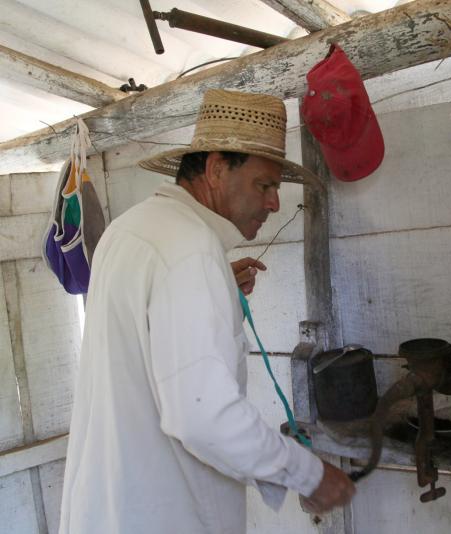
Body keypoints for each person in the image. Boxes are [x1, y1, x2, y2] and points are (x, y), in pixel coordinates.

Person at [58, 90, 355, 534]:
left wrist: (214, 284)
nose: (274, 203)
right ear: (216, 169)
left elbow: (146, 338)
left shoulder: (132, 230)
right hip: (163, 513)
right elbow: (202, 415)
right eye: (265, 185)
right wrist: (308, 473)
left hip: (106, 506)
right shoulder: (190, 251)